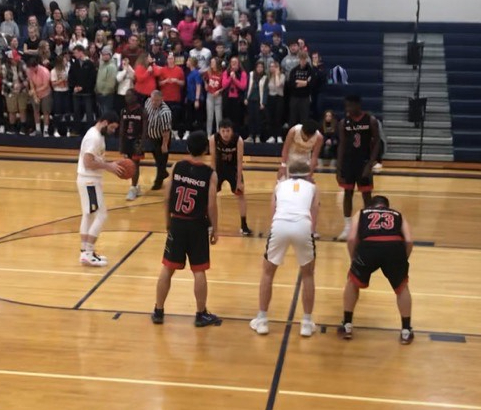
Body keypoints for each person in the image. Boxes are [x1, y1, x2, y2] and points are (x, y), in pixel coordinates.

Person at [151, 131, 221, 327]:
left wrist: (168, 222)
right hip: (197, 225)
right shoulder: (209, 174)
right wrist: (215, 229)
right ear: (206, 149)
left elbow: (166, 198)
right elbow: (211, 205)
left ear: (188, 147)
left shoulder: (177, 166)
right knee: (199, 271)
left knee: (167, 268)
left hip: (177, 223)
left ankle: (158, 310)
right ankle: (200, 314)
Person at [250, 161, 320, 336]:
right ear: (308, 175)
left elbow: (273, 211)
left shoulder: (279, 186)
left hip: (280, 224)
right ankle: (306, 323)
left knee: (268, 272)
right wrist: (309, 235)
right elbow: (314, 214)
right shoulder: (313, 188)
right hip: (303, 225)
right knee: (308, 273)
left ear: (289, 173)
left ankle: (262, 320)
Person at [338, 195, 414, 345]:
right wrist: (403, 259)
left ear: (371, 206)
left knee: (352, 281)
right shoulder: (398, 214)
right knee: (402, 286)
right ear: (387, 206)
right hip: (394, 247)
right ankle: (406, 330)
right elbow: (409, 240)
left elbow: (352, 238)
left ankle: (347, 325)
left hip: (369, 247)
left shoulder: (361, 213)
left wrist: (354, 258)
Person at [77, 111, 122, 267]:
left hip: (89, 179)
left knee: (88, 216)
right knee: (101, 215)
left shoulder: (98, 135)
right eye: (112, 128)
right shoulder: (94, 137)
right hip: (89, 180)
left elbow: (96, 160)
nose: (113, 131)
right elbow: (88, 162)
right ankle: (88, 252)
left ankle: (85, 253)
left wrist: (109, 164)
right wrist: (108, 166)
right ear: (104, 122)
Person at [336, 95, 380, 241]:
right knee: (347, 193)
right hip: (348, 164)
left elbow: (377, 143)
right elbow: (341, 145)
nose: (348, 109)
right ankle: (348, 228)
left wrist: (370, 164)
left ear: (358, 105)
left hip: (364, 163)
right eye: (346, 106)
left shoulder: (370, 120)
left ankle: (368, 226)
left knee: (366, 195)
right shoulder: (344, 122)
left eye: (350, 106)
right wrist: (338, 168)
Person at [209, 119, 252, 235]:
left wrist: (239, 181)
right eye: (223, 131)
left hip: (233, 169)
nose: (225, 134)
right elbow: (212, 160)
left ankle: (244, 225)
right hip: (219, 169)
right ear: (219, 131)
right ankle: (208, 222)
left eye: (228, 131)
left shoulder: (238, 140)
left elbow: (239, 161)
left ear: (232, 131)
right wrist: (212, 177)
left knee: (241, 194)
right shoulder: (213, 139)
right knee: (210, 194)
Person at [119, 89, 148, 201]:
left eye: (129, 96)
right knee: (129, 164)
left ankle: (133, 188)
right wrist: (121, 144)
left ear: (135, 97)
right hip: (127, 140)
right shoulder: (124, 111)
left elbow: (145, 130)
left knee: (135, 164)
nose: (127, 98)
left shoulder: (142, 111)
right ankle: (136, 187)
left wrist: (142, 144)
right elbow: (122, 128)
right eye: (126, 96)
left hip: (137, 141)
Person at [145, 90, 172, 190]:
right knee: (157, 158)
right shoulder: (147, 102)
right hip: (152, 136)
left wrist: (164, 144)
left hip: (162, 138)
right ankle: (163, 172)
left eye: (156, 101)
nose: (154, 103)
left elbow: (166, 131)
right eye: (153, 100)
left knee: (161, 161)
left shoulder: (165, 112)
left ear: (161, 99)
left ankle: (158, 182)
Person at [69, 44, 97, 136]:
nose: (75, 55)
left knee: (89, 112)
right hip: (76, 93)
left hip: (87, 93)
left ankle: (90, 131)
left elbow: (92, 79)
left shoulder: (90, 64)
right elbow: (71, 77)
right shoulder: (74, 64)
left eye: (76, 53)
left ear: (81, 52)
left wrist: (83, 87)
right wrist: (74, 87)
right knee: (76, 112)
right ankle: (76, 130)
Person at [2, 50, 29, 135]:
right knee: (11, 110)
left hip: (22, 89)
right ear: (10, 59)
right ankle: (12, 127)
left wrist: (23, 83)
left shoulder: (22, 63)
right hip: (10, 90)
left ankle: (23, 127)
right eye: (14, 59)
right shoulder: (4, 67)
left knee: (22, 109)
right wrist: (13, 85)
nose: (16, 60)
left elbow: (28, 76)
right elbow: (4, 80)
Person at [27, 57, 52, 137]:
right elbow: (31, 82)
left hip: (45, 93)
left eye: (31, 68)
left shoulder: (45, 71)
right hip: (36, 92)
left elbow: (45, 85)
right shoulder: (30, 71)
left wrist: (34, 91)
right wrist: (34, 95)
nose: (30, 70)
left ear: (35, 66)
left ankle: (45, 130)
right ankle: (38, 130)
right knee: (36, 111)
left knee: (46, 112)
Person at [221, 56, 247, 133]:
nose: (234, 65)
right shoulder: (226, 72)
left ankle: (236, 134)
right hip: (228, 98)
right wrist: (230, 78)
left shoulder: (243, 73)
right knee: (228, 118)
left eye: (235, 63)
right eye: (232, 63)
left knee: (237, 119)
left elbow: (243, 86)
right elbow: (224, 85)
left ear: (239, 64)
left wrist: (234, 79)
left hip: (238, 99)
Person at [244, 60, 268, 143]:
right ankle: (250, 135)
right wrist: (245, 98)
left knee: (258, 119)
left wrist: (263, 102)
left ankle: (258, 136)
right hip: (250, 99)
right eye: (258, 67)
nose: (259, 68)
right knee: (250, 118)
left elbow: (265, 91)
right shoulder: (251, 75)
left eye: (261, 67)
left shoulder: (265, 77)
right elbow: (247, 87)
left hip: (259, 101)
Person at [288, 51, 312, 127]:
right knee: (293, 118)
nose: (302, 61)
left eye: (304, 59)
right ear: (298, 59)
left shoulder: (310, 70)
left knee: (304, 118)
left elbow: (311, 84)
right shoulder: (294, 70)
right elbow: (291, 83)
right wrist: (304, 82)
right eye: (301, 59)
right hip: (294, 97)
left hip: (305, 97)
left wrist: (299, 82)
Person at [50, 53, 70, 137]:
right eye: (64, 61)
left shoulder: (66, 69)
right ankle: (55, 130)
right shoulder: (53, 71)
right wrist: (61, 80)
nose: (66, 62)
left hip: (66, 91)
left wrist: (65, 81)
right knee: (57, 112)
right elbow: (53, 84)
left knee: (67, 112)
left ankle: (68, 130)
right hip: (57, 92)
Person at [184, 57, 204, 140]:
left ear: (192, 62)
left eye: (188, 60)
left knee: (197, 117)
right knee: (189, 116)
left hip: (195, 98)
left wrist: (197, 99)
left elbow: (198, 86)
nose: (186, 62)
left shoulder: (196, 73)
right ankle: (188, 132)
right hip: (189, 97)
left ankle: (199, 135)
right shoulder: (190, 72)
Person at [265, 60, 285, 144]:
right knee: (271, 118)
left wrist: (277, 74)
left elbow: (278, 85)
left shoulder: (282, 76)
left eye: (274, 67)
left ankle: (279, 136)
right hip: (270, 98)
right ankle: (272, 136)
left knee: (278, 117)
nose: (272, 68)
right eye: (271, 67)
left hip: (279, 98)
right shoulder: (268, 77)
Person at [95, 45, 118, 116]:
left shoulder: (112, 66)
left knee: (106, 115)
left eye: (106, 54)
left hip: (107, 95)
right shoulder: (102, 65)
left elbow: (111, 83)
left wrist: (104, 93)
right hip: (99, 94)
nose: (104, 56)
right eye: (103, 54)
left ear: (110, 55)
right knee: (101, 114)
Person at [204, 56, 223, 136]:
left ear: (217, 64)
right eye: (211, 62)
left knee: (219, 117)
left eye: (213, 62)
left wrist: (219, 91)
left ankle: (219, 134)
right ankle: (208, 134)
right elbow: (205, 79)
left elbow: (224, 86)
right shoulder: (208, 71)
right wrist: (206, 84)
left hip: (218, 96)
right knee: (209, 116)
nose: (211, 64)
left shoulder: (222, 73)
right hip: (210, 95)